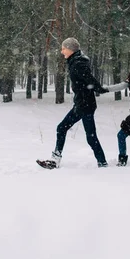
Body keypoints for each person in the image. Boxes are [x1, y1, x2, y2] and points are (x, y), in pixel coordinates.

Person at [47, 37, 109, 168]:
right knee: (90, 136)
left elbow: (89, 79)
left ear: (70, 49)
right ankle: (102, 162)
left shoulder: (77, 63)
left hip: (84, 104)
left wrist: (99, 88)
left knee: (62, 128)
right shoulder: (76, 61)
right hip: (84, 103)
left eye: (63, 48)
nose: (61, 51)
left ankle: (55, 159)